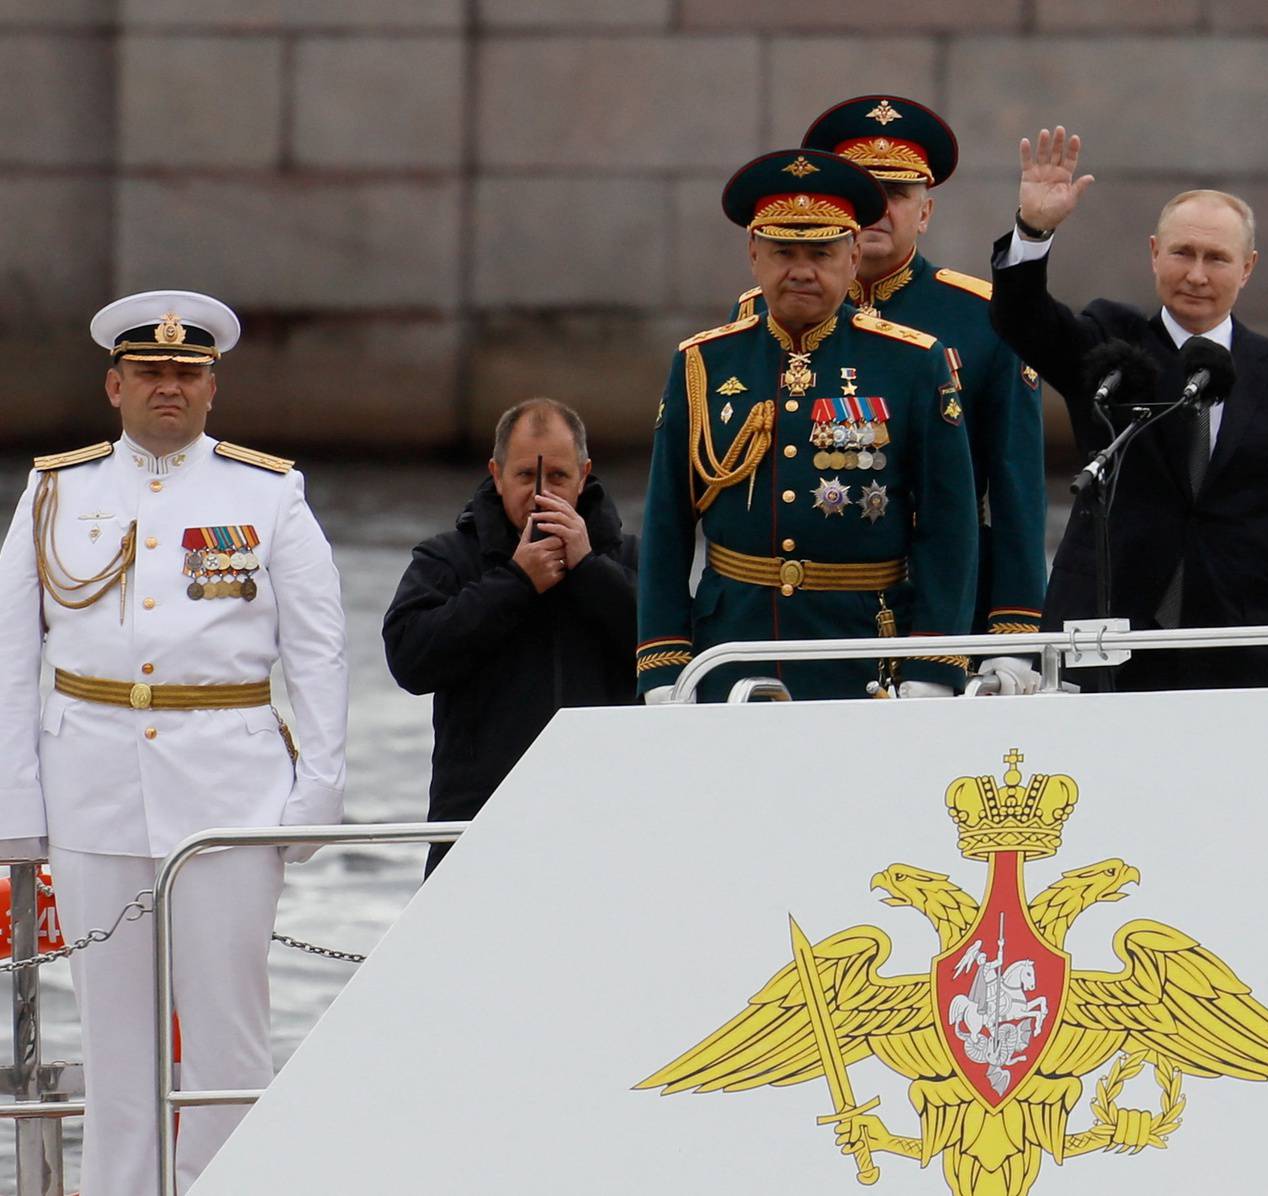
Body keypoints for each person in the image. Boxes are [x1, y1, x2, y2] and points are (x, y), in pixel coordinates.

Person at [0, 291, 347, 1195]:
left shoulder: (265, 493)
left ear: (211, 390)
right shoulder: (55, 491)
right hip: (92, 781)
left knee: (229, 1027)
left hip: (229, 785)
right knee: (115, 1035)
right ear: (114, 386)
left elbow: (319, 649)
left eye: (187, 374)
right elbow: (10, 655)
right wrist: (16, 800)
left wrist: (319, 790)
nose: (169, 388)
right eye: (150, 373)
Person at [989, 127, 1268, 691]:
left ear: (1248, 267)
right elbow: (1023, 320)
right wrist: (1033, 230)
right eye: (1182, 253)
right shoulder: (1111, 345)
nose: (1197, 275)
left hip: (1240, 637)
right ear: (1154, 252)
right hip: (1107, 632)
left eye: (1217, 258)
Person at [730, 96, 1048, 695]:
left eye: (896, 195)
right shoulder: (762, 314)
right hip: (803, 614)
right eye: (865, 193)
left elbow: (1017, 491)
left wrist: (1013, 641)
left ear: (924, 212)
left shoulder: (983, 318)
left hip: (945, 617)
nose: (878, 209)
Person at [637, 148, 978, 703]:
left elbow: (949, 524)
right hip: (732, 648)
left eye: (820, 252)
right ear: (753, 254)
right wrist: (663, 661)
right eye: (782, 252)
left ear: (851, 256)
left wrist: (934, 662)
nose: (800, 270)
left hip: (863, 652)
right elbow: (666, 524)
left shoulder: (913, 362)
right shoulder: (704, 363)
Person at [383, 398, 638, 877]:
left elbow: (670, 656)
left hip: (607, 815)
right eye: (525, 477)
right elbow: (410, 661)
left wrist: (588, 569)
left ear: (584, 476)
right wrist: (515, 583)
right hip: (480, 820)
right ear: (496, 475)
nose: (542, 493)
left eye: (558, 477)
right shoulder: (446, 559)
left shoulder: (630, 558)